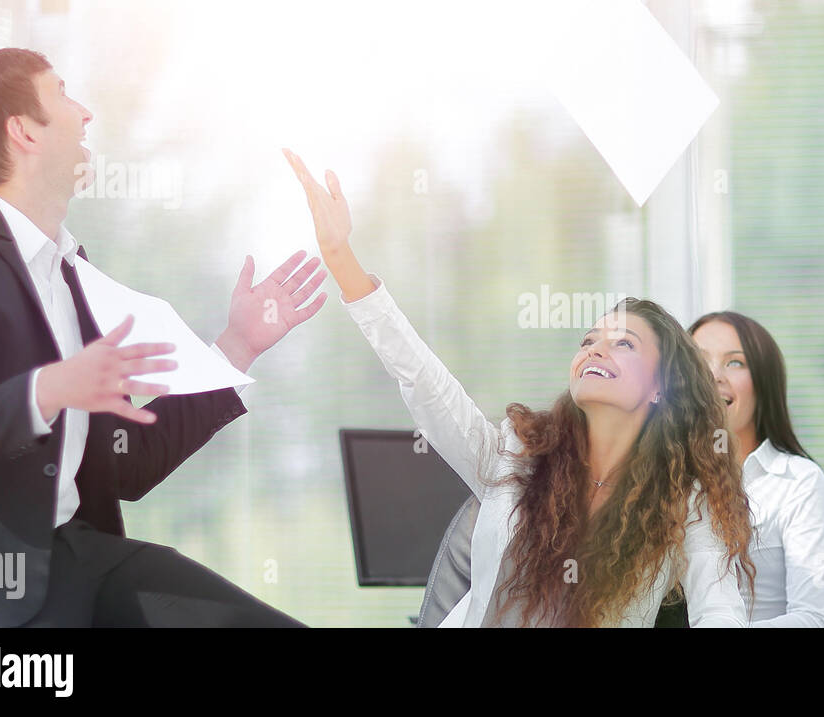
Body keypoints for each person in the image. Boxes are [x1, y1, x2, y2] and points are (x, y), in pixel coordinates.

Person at [0, 48, 324, 627]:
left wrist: (238, 345)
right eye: (61, 94)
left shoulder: (69, 271)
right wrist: (46, 391)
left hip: (83, 560)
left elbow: (125, 464)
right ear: (24, 132)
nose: (85, 113)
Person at [283, 149, 753, 627]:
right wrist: (340, 256)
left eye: (624, 344)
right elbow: (424, 382)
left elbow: (721, 612)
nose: (595, 350)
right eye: (589, 340)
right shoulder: (517, 455)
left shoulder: (686, 502)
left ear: (660, 388)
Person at [690, 312, 824, 627]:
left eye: (734, 363)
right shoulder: (660, 480)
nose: (714, 375)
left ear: (763, 384)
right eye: (698, 362)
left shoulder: (798, 482)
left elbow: (815, 619)